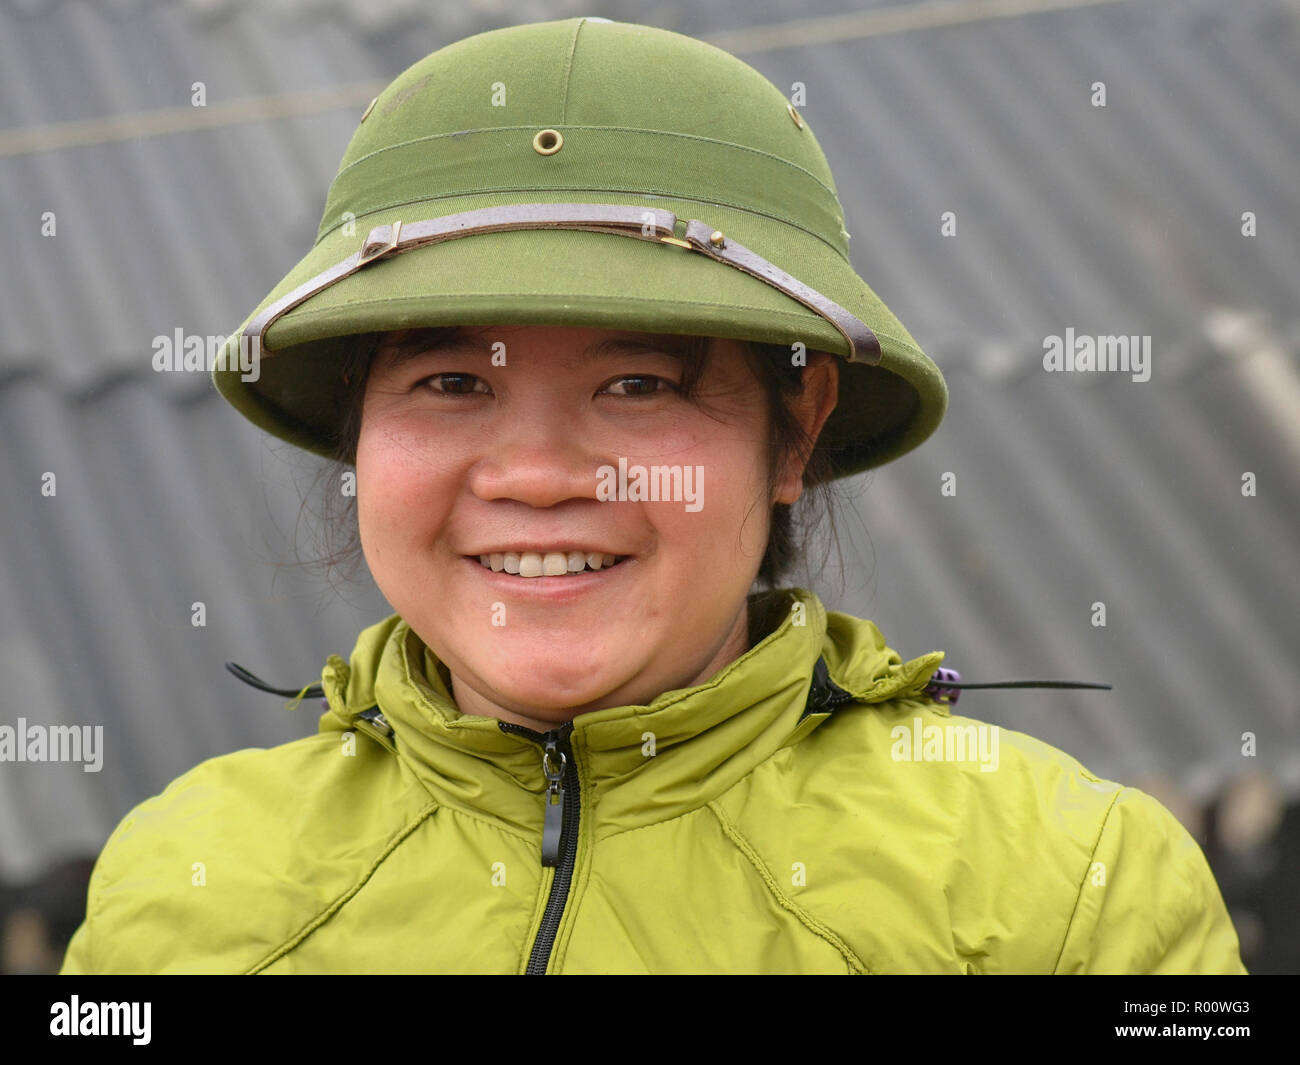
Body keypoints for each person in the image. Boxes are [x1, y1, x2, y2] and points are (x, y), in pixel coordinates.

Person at [60, 16, 1245, 975]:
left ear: (797, 432)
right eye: (451, 381)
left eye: (637, 384)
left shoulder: (1068, 887)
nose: (533, 476)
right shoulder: (185, 885)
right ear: (359, 435)